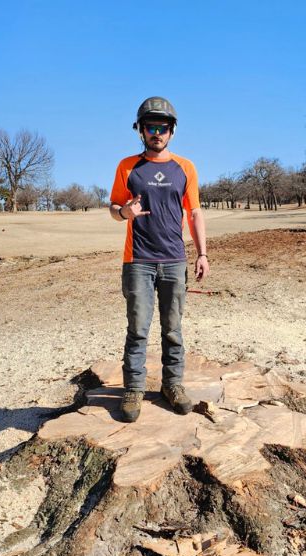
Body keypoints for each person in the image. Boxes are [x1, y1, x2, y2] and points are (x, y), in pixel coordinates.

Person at [109, 96, 209, 423]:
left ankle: (173, 386)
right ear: (140, 130)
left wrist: (202, 253)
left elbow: (194, 212)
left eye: (162, 127)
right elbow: (113, 208)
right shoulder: (127, 166)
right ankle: (133, 390)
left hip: (174, 258)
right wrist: (125, 211)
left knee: (173, 328)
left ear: (172, 131)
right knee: (138, 329)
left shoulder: (186, 167)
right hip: (138, 259)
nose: (156, 133)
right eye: (150, 127)